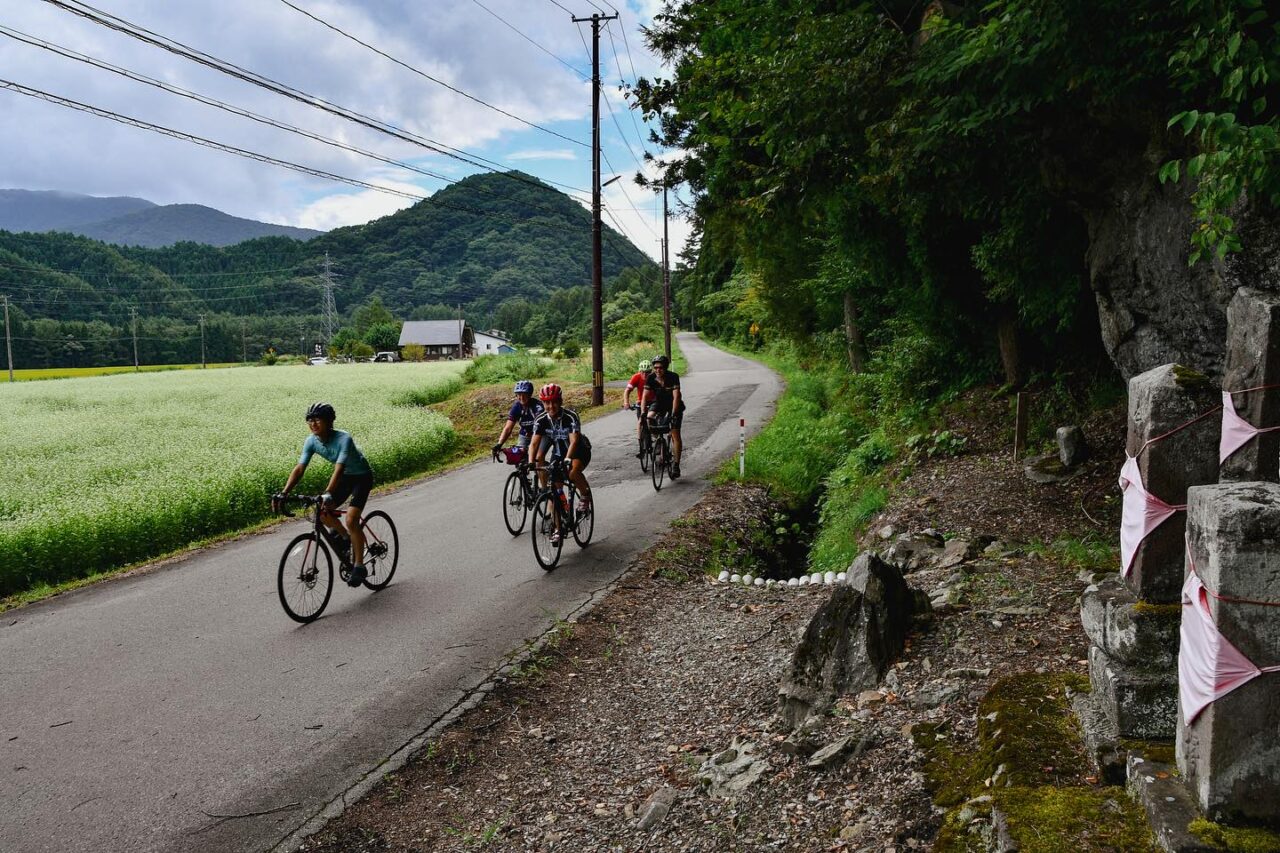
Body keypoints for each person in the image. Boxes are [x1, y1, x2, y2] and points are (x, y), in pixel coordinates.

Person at [276, 401, 374, 587]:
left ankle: (359, 566)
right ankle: (346, 537)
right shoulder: (311, 441)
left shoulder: (344, 438)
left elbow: (339, 468)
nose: (313, 424)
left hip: (361, 477)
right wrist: (284, 493)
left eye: (317, 419)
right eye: (310, 420)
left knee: (352, 519)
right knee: (320, 513)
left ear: (329, 422)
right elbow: (300, 468)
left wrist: (328, 492)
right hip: (345, 479)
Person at [529, 383, 592, 544]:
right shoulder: (541, 419)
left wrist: (568, 459)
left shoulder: (570, 416)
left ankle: (584, 495)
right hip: (558, 452)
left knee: (572, 473)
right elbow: (534, 444)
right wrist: (531, 463)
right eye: (546, 402)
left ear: (561, 400)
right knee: (555, 490)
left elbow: (574, 440)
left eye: (554, 401)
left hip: (577, 451)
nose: (551, 406)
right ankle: (558, 528)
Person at [645, 353, 686, 479]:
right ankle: (659, 441)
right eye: (655, 367)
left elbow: (676, 397)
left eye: (660, 368)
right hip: (660, 404)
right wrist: (642, 412)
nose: (658, 370)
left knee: (675, 434)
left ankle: (676, 465)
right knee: (648, 418)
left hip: (674, 405)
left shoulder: (673, 377)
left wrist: (673, 414)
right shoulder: (651, 377)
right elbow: (644, 397)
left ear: (665, 367)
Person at [492, 379, 544, 462]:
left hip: (540, 434)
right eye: (519, 394)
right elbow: (508, 428)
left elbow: (541, 425)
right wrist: (499, 444)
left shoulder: (537, 406)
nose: (521, 397)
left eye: (524, 394)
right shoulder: (516, 407)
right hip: (525, 434)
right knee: (518, 457)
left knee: (538, 458)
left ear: (529, 395)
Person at [622, 359, 652, 457]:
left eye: (647, 372)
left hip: (653, 402)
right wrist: (626, 402)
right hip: (640, 403)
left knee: (651, 421)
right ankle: (641, 446)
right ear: (639, 371)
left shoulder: (654, 378)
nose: (645, 375)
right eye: (642, 372)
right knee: (640, 422)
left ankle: (657, 440)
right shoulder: (636, 377)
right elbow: (627, 390)